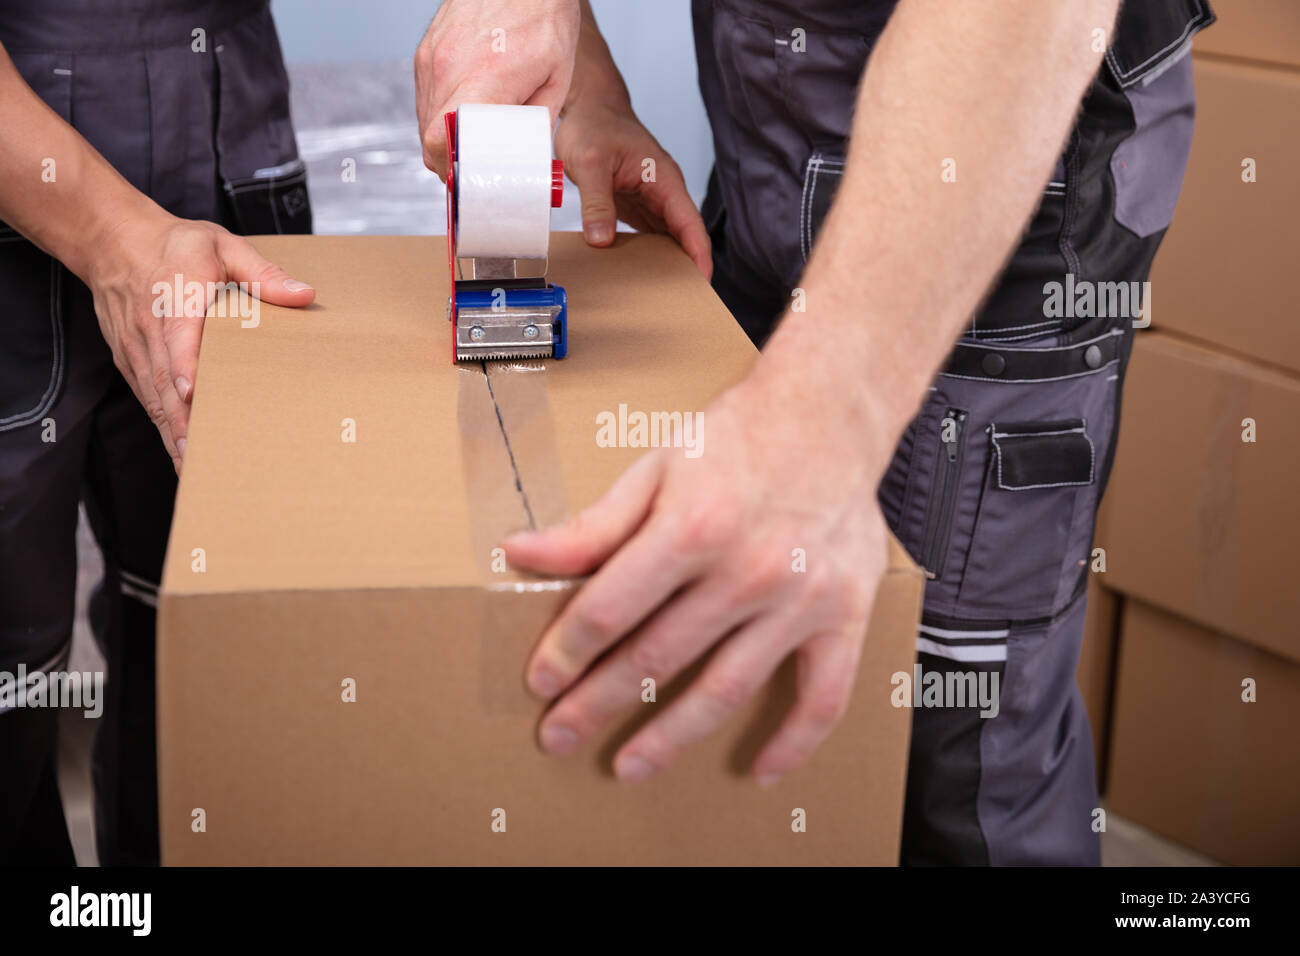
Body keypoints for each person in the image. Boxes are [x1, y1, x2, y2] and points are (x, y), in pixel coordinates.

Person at [416, 0, 1214, 864]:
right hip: (774, 147)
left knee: (960, 744)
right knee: (767, 687)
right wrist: (574, 65)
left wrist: (826, 411)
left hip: (1010, 177)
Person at [0, 0, 314, 865]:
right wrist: (112, 235)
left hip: (230, 141)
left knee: (205, 629)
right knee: (12, 661)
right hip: (18, 150)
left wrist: (563, 49)